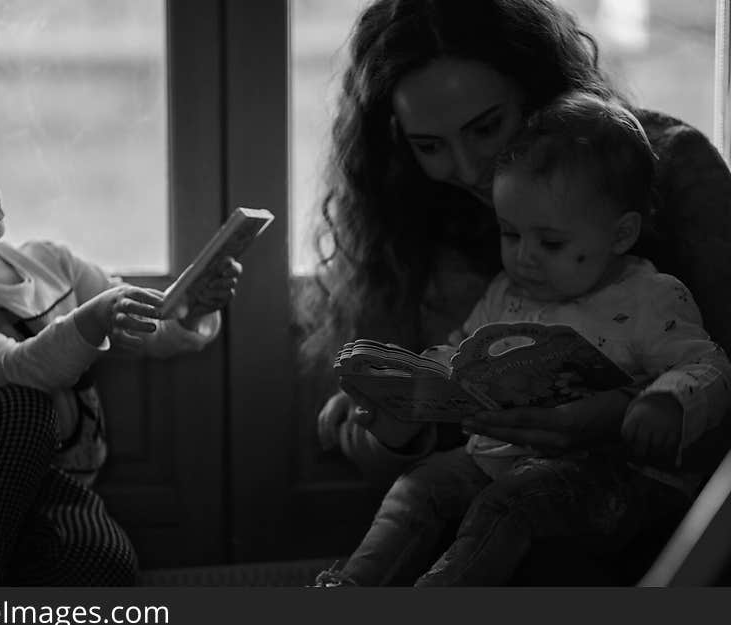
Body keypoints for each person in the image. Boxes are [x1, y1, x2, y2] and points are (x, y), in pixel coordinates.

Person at [301, 0, 731, 583]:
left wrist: (625, 416)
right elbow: (385, 459)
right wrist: (395, 424)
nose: (471, 166)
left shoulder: (671, 168)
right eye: (430, 145)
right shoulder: (406, 218)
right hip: (476, 528)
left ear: (538, 88)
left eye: (486, 127)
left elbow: (714, 377)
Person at [0, 91, 242, 586]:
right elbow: (13, 371)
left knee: (107, 567)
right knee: (22, 407)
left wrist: (192, 308)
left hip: (40, 496)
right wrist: (93, 317)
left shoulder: (51, 264)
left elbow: (142, 322)